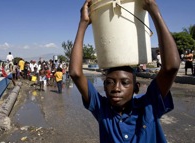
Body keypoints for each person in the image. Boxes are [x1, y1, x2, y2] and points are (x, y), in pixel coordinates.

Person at [69, 0, 180, 142]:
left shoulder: (148, 106)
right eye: (110, 82)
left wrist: (153, 9)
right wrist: (83, 23)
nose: (116, 88)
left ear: (136, 88)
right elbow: (75, 73)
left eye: (125, 83)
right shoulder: (102, 109)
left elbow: (171, 68)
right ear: (104, 86)